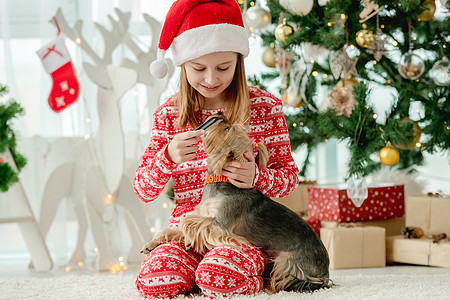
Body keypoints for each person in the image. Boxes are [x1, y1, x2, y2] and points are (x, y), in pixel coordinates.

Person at [134, 0, 299, 298]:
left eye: (223, 67)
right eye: (199, 68)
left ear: (239, 61)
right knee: (157, 281)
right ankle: (197, 271)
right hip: (185, 233)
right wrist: (167, 157)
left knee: (220, 278)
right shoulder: (170, 115)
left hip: (241, 236)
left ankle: (237, 271)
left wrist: (257, 177)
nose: (211, 79)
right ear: (183, 64)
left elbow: (288, 180)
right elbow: (143, 189)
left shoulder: (265, 109)